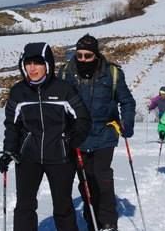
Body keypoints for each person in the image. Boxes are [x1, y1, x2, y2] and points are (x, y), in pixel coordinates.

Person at [0, 42, 92, 231]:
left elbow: (83, 118)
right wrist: (9, 150)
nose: (32, 68)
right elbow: (12, 125)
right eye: (28, 63)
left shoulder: (63, 90)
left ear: (47, 64)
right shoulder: (19, 92)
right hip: (28, 157)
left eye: (38, 63)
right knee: (24, 206)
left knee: (63, 206)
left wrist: (72, 140)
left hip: (60, 157)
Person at [59, 34, 136, 231]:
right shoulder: (66, 73)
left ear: (96, 55)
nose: (83, 59)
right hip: (78, 136)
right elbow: (58, 103)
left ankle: (108, 222)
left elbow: (127, 101)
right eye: (79, 55)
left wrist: (127, 123)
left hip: (104, 133)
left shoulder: (111, 73)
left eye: (88, 56)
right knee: (86, 181)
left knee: (102, 178)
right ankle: (92, 220)